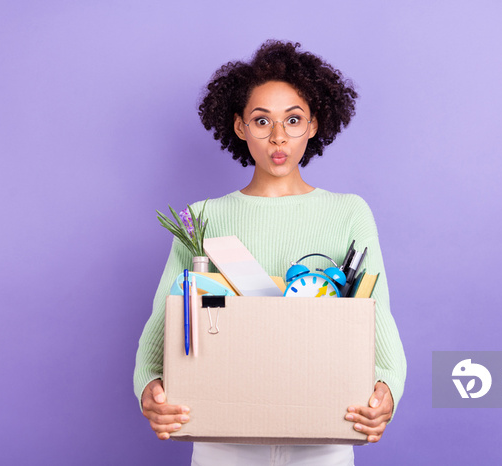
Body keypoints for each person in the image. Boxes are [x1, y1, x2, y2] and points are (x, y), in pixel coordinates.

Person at [134, 40, 407, 465]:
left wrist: (387, 388)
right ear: (240, 126)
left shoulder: (349, 212)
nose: (278, 136)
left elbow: (378, 315)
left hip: (323, 435)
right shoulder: (203, 218)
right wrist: (148, 386)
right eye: (262, 121)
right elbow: (165, 317)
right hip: (224, 437)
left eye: (293, 120)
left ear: (314, 125)